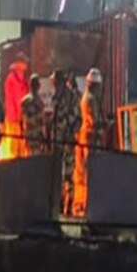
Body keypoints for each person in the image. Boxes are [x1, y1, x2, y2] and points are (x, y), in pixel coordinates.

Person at [72, 67, 105, 216]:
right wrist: (105, 125)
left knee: (84, 170)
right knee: (89, 171)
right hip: (90, 138)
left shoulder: (86, 97)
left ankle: (82, 203)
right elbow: (94, 121)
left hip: (86, 137)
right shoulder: (90, 100)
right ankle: (85, 204)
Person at [52, 70, 80, 215]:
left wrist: (69, 131)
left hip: (64, 140)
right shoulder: (66, 96)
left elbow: (75, 119)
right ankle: (63, 205)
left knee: (65, 173)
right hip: (62, 140)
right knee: (63, 173)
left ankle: (66, 205)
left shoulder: (65, 96)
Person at [20, 74, 46, 157]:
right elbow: (42, 121)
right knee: (37, 158)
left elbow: (21, 119)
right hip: (36, 135)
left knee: (29, 158)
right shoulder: (40, 102)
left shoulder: (24, 101)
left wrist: (22, 133)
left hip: (29, 135)